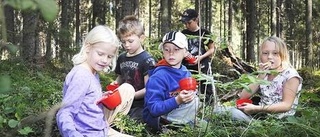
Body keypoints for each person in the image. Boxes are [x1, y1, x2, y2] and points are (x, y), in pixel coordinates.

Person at [56, 25, 135, 137]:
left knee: (127, 88)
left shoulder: (93, 71)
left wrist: (101, 96)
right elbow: (65, 112)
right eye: (100, 54)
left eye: (109, 56)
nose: (104, 60)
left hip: (101, 129)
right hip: (86, 133)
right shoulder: (81, 75)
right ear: (88, 48)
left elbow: (86, 100)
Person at [214, 36, 303, 122]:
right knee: (218, 110)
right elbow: (243, 96)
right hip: (259, 115)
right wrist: (261, 76)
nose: (269, 57)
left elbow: (286, 105)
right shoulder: (266, 73)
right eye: (265, 53)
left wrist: (256, 109)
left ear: (282, 55)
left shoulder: (290, 75)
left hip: (278, 121)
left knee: (232, 113)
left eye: (275, 53)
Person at [143, 31, 200, 132]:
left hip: (177, 112)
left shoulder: (186, 73)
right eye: (166, 49)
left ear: (186, 52)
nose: (171, 53)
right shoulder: (158, 77)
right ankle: (170, 128)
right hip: (158, 120)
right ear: (163, 52)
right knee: (195, 103)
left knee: (196, 101)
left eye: (176, 49)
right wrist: (178, 100)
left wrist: (190, 94)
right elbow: (153, 109)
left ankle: (184, 124)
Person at [113, 15, 156, 122]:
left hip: (140, 106)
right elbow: (120, 77)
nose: (126, 45)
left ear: (141, 38)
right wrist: (114, 86)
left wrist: (130, 96)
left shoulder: (147, 60)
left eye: (130, 41)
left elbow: (149, 88)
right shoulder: (122, 57)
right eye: (123, 42)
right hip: (122, 103)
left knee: (133, 122)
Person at [180, 9, 216, 102]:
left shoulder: (204, 33)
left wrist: (201, 57)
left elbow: (212, 49)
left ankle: (208, 106)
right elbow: (180, 48)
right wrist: (185, 54)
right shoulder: (183, 33)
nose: (187, 25)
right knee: (188, 87)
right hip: (187, 66)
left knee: (206, 87)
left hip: (202, 65)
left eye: (189, 22)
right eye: (185, 23)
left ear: (196, 20)